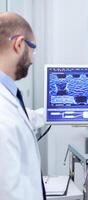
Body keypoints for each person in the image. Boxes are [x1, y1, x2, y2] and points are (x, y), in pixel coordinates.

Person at [0, 12, 45, 200]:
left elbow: (22, 118)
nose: (33, 59)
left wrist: (57, 113)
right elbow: (9, 191)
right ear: (19, 44)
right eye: (32, 48)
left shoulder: (8, 97)